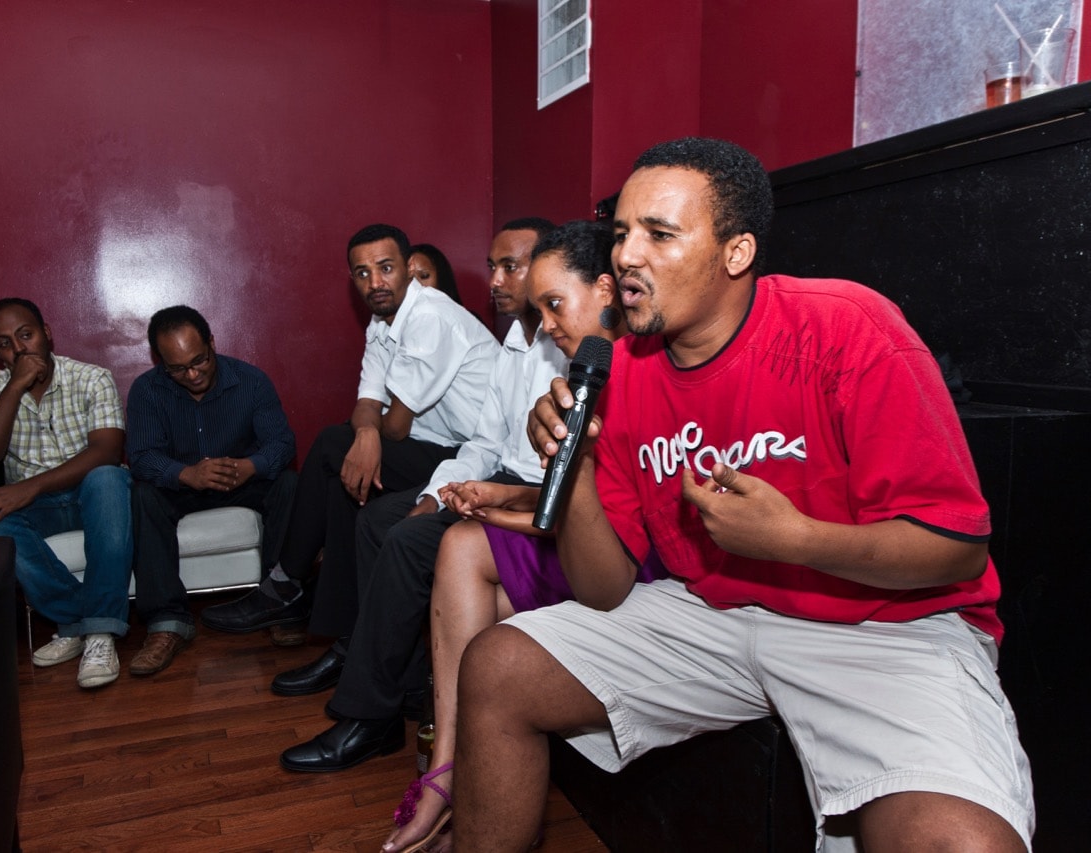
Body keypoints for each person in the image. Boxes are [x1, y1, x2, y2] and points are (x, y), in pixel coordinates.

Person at [455, 138, 1035, 852]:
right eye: (621, 234)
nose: (626, 256)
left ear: (736, 253)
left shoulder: (848, 329)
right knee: (499, 664)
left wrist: (794, 539)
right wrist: (571, 469)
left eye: (659, 235)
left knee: (962, 843)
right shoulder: (624, 367)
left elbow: (955, 549)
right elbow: (603, 591)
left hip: (882, 624)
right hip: (720, 611)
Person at [379, 219, 658, 852]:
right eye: (540, 310)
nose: (548, 325)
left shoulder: (640, 376)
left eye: (555, 305)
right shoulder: (580, 370)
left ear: (608, 290)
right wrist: (501, 497)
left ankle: (450, 782)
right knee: (465, 564)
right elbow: (576, 497)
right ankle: (458, 783)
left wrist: (504, 506)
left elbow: (610, 513)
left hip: (626, 563)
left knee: (470, 579)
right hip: (583, 537)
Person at [277, 217, 562, 774]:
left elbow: (568, 478)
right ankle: (398, 684)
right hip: (495, 473)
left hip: (532, 493)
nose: (495, 281)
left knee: (407, 540)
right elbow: (484, 441)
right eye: (492, 266)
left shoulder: (575, 349)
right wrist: (435, 494)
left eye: (512, 266)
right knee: (379, 519)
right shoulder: (514, 343)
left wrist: (490, 493)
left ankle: (367, 716)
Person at [200, 224, 497, 654]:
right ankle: (346, 639)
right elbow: (367, 403)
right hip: (435, 446)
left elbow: (393, 426)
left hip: (474, 455)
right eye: (361, 273)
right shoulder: (381, 324)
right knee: (345, 477)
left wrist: (369, 434)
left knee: (329, 445)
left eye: (385, 268)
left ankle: (285, 583)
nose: (374, 283)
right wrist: (364, 433)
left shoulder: (431, 316)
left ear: (409, 269)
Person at [0, 298, 133, 690]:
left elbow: (106, 451)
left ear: (47, 333)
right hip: (38, 509)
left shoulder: (92, 378)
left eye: (26, 335)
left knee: (108, 478)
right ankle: (76, 622)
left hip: (94, 496)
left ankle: (101, 633)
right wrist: (15, 385)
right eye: (4, 343)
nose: (19, 349)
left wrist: (29, 486)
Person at [124, 305, 297, 677]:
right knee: (141, 494)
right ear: (161, 362)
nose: (192, 373)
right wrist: (187, 474)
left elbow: (282, 444)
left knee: (288, 483)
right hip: (182, 486)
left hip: (243, 481)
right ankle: (167, 623)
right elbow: (140, 457)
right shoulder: (147, 391)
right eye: (177, 368)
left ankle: (278, 603)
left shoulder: (251, 381)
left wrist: (250, 466)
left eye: (199, 360)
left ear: (212, 343)